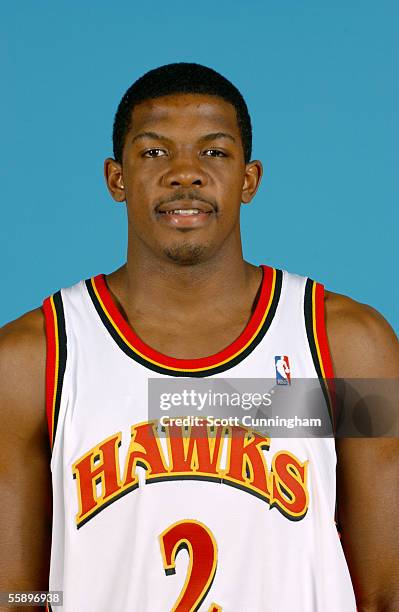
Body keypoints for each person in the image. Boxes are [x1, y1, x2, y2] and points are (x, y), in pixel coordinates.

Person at [0, 62, 398, 612]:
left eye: (213, 152)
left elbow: (385, 592)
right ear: (117, 178)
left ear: (249, 179)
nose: (184, 173)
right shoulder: (32, 359)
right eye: (155, 152)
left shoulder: (347, 344)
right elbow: (16, 597)